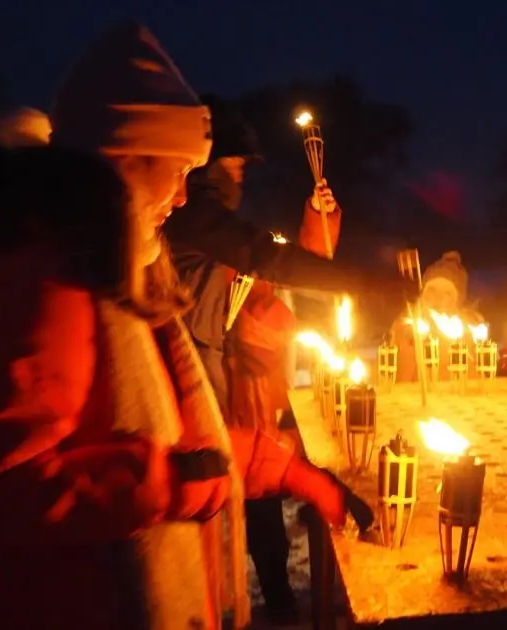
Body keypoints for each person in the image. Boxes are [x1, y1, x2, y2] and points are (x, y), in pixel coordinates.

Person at [0, 23, 346, 630]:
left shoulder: (120, 271)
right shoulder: (36, 278)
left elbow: (166, 432)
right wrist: (162, 484)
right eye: (177, 170)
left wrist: (291, 471)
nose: (185, 198)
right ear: (123, 162)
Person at [172, 93, 341, 625]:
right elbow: (263, 279)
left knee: (258, 507)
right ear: (205, 165)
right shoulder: (198, 234)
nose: (240, 177)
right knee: (222, 512)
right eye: (235, 164)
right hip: (212, 394)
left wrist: (319, 216)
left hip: (244, 398)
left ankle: (271, 601)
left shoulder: (226, 238)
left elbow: (290, 268)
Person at [389, 251, 485, 383]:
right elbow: (392, 373)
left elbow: (478, 377)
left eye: (447, 293)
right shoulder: (406, 325)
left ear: (458, 299)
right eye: (432, 290)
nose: (438, 298)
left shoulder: (468, 329)